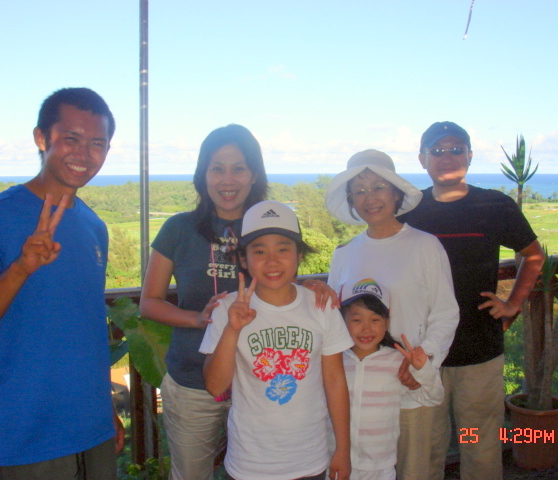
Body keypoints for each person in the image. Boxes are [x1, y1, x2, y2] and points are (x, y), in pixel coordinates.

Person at [139, 127, 334, 480]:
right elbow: (149, 303)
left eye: (239, 168)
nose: (227, 180)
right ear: (203, 175)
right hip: (195, 380)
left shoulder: (267, 223)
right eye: (217, 168)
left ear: (254, 174)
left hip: (264, 386)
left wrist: (312, 286)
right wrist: (198, 319)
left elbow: (280, 272)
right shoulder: (178, 228)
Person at [398, 121, 545, 480]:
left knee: (478, 444)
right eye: (437, 151)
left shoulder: (494, 205)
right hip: (423, 353)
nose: (447, 157)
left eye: (456, 149)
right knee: (424, 450)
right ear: (422, 159)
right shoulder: (409, 210)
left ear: (469, 155)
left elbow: (533, 255)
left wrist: (513, 302)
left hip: (479, 350)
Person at [0, 88, 124, 479]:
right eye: (71, 138)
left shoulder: (94, 226)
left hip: (92, 428)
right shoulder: (0, 217)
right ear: (41, 138)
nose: (84, 154)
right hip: (22, 434)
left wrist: (106, 408)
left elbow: (87, 327)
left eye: (97, 143)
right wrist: (22, 267)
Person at [325, 150, 459, 480]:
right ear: (351, 200)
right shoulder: (344, 254)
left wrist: (422, 361)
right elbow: (333, 321)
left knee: (415, 471)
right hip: (359, 392)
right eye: (359, 190)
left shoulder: (425, 246)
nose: (369, 197)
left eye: (379, 187)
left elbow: (445, 313)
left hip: (409, 384)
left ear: (396, 193)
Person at [200, 200, 353, 480]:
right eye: (259, 251)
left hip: (310, 458)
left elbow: (335, 381)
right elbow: (215, 386)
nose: (272, 261)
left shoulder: (321, 306)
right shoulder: (227, 309)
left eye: (283, 249)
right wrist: (232, 329)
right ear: (243, 260)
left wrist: (343, 449)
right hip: (249, 463)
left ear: (299, 255)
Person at [336, 278, 444, 480]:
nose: (366, 328)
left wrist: (423, 369)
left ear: (387, 323)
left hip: (380, 468)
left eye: (375, 319)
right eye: (357, 320)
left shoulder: (398, 362)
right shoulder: (333, 361)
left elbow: (434, 398)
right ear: (342, 321)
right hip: (335, 464)